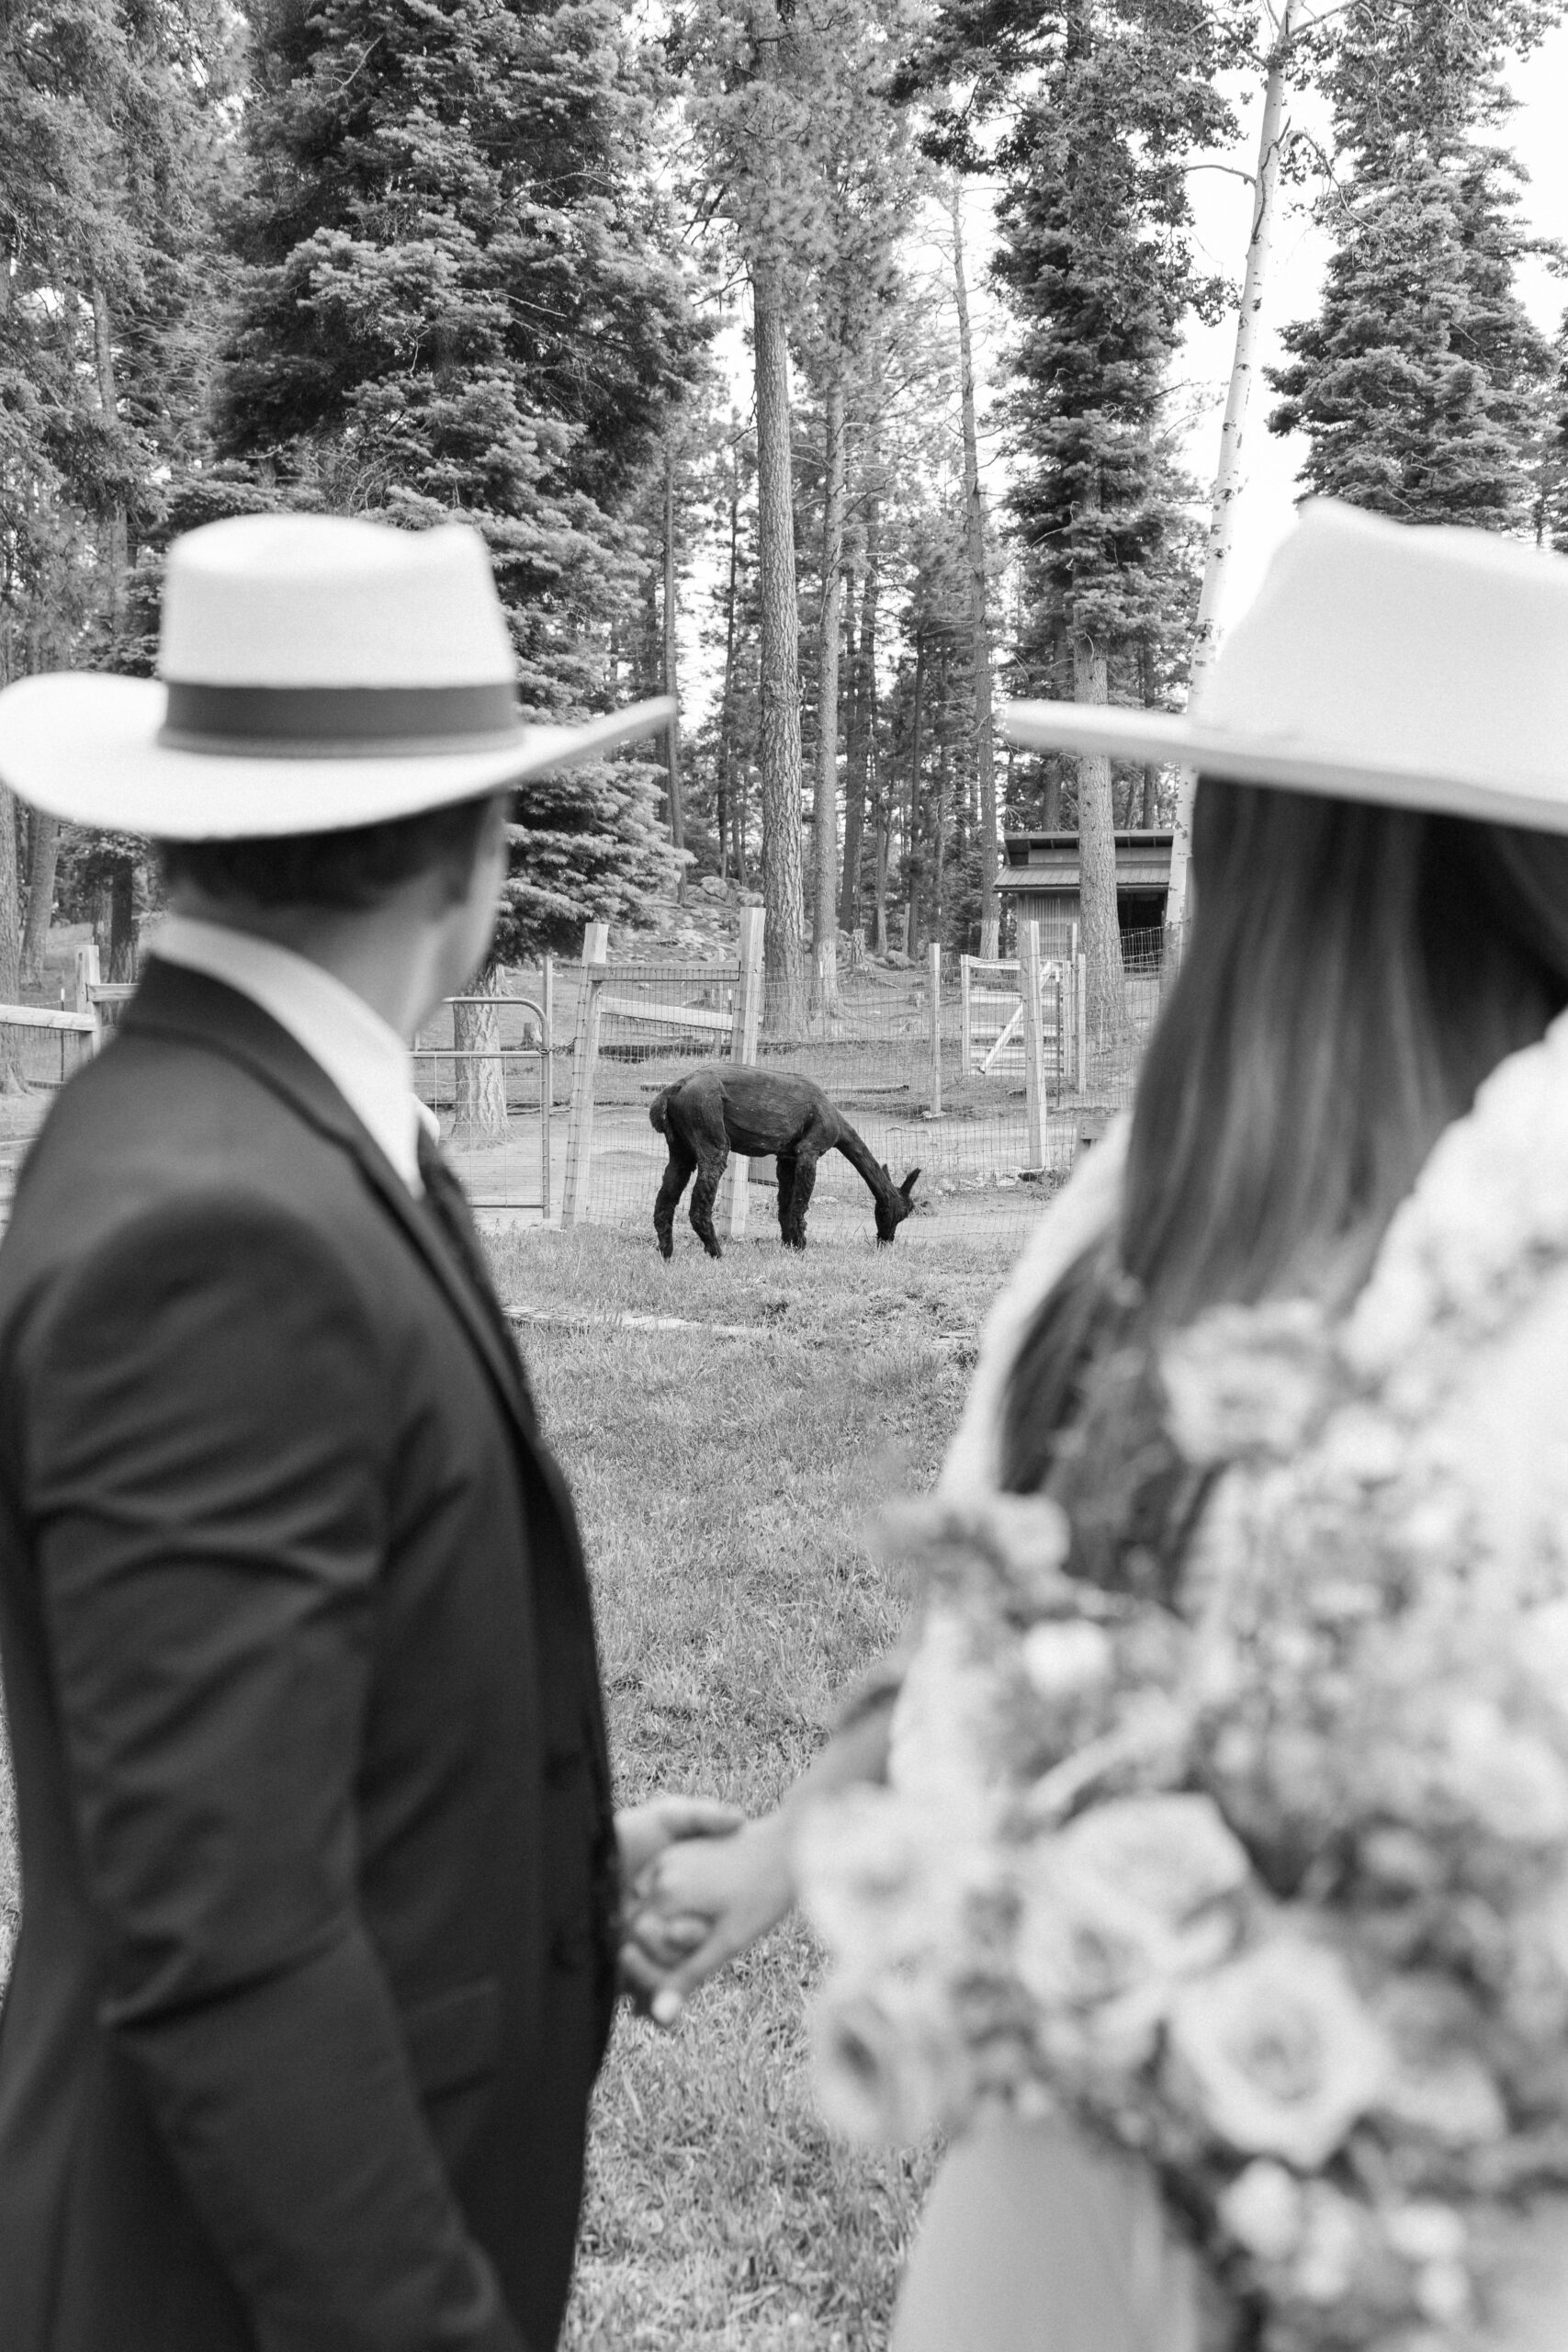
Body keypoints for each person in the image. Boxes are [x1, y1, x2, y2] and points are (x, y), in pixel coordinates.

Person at [625, 500, 1568, 2347]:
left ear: (1276, 853)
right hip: (1067, 2191)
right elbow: (1002, 1622)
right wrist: (789, 1847)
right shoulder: (1135, 1217)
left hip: (1421, 2229)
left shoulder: (1514, 1261)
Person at [0, 513, 739, 2352]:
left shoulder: (230, 1117)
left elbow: (268, 1742)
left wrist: (538, 1870)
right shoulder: (221, 1220)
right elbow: (225, 1936)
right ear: (475, 851)